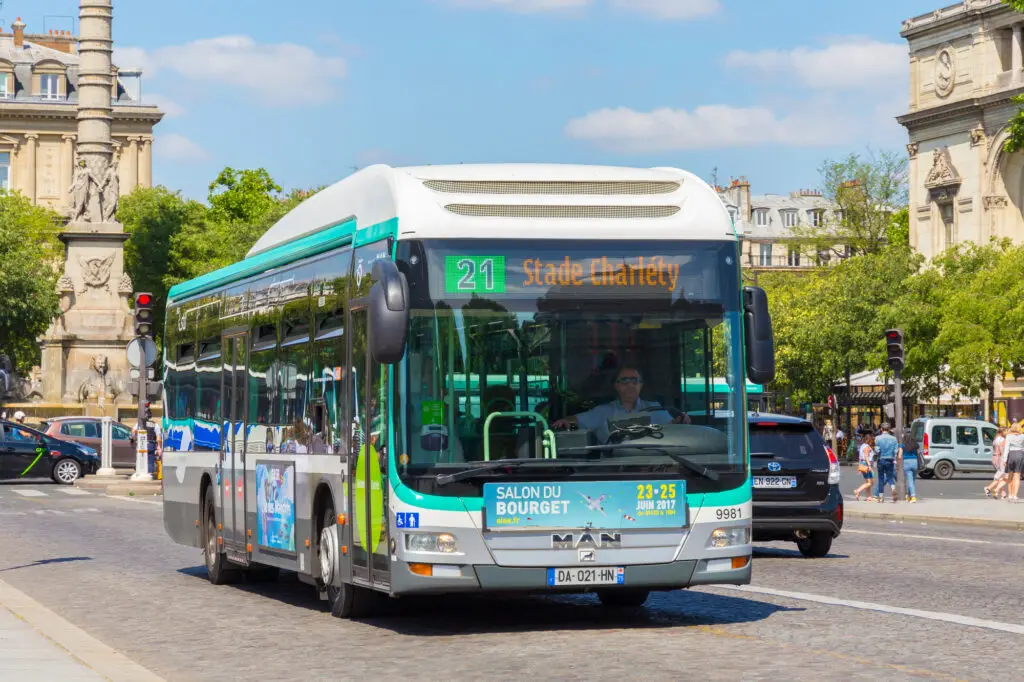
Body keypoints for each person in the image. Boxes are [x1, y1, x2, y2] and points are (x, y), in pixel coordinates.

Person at [551, 366, 688, 443]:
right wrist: (565, 423)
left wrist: (681, 424)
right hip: (614, 470)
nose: (630, 385)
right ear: (616, 386)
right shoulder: (603, 412)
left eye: (635, 381)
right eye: (624, 381)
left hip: (651, 467)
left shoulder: (655, 409)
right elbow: (574, 422)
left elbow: (672, 429)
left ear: (641, 385)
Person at [874, 422, 899, 503]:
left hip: (881, 459)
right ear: (889, 429)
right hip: (890, 460)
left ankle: (881, 497)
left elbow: (877, 450)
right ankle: (892, 487)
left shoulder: (877, 438)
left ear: (881, 429)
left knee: (881, 478)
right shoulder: (894, 439)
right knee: (890, 477)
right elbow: (896, 451)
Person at [985, 427, 1007, 499]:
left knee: (1001, 476)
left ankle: (1002, 493)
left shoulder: (995, 438)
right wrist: (1005, 459)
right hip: (999, 458)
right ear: (1002, 432)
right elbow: (1002, 451)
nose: (1007, 433)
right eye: (1006, 431)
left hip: (994, 457)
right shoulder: (1002, 439)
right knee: (1003, 476)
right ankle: (988, 488)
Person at [853, 432, 876, 501]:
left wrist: (860, 466)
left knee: (868, 481)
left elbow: (861, 457)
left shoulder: (862, 445)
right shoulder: (866, 447)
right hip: (866, 465)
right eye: (872, 440)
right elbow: (866, 457)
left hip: (863, 464)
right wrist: (869, 466)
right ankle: (857, 491)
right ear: (869, 440)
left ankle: (868, 496)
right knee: (870, 482)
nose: (872, 441)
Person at [1005, 422, 1024, 503]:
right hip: (1020, 455)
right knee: (1017, 476)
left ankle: (1010, 494)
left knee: (1010, 475)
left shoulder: (1008, 436)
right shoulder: (1023, 436)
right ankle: (1015, 495)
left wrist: (1004, 459)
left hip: (1011, 455)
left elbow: (1006, 448)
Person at [898, 432, 919, 503]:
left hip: (907, 463)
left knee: (910, 481)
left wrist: (898, 463)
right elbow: (918, 453)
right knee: (912, 481)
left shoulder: (902, 445)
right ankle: (909, 496)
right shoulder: (915, 444)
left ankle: (913, 497)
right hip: (915, 462)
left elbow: (899, 456)